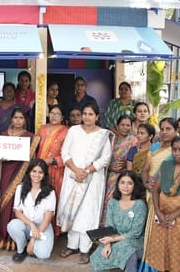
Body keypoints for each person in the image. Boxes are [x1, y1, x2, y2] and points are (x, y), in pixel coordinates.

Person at [58, 101, 112, 265]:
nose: (87, 117)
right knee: (72, 209)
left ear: (97, 116)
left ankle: (85, 249)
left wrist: (87, 171)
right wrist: (77, 170)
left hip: (93, 179)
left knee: (88, 213)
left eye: (91, 114)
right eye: (85, 114)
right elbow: (64, 152)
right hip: (73, 177)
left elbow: (106, 158)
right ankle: (72, 245)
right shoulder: (73, 131)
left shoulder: (103, 135)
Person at [140, 136, 180, 272]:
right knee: (159, 251)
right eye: (174, 149)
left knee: (178, 254)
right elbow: (156, 191)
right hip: (161, 217)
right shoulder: (166, 166)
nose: (177, 153)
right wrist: (158, 212)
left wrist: (173, 215)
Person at [90, 170, 147, 272]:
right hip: (115, 238)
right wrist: (107, 243)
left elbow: (135, 233)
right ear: (118, 185)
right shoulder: (113, 202)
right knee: (99, 254)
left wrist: (112, 240)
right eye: (122, 182)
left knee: (127, 251)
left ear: (135, 186)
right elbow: (109, 225)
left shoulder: (139, 205)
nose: (125, 186)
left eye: (129, 183)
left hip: (135, 241)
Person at [0, 108, 33, 250]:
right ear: (11, 119)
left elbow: (33, 159)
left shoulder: (30, 137)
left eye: (21, 118)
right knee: (6, 204)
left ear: (25, 120)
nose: (18, 121)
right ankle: (3, 237)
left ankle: (17, 239)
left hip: (22, 175)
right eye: (16, 117)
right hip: (6, 173)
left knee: (18, 205)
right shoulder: (3, 135)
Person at [7, 159, 56, 262]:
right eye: (34, 171)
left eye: (40, 172)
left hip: (43, 227)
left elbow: (47, 220)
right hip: (27, 225)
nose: (36, 175)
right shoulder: (21, 188)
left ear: (44, 174)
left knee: (43, 254)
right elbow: (17, 212)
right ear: (29, 172)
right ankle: (22, 249)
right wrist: (31, 225)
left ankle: (32, 244)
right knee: (13, 225)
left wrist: (33, 240)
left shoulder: (50, 192)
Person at [140, 117, 177, 249]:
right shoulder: (155, 147)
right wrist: (145, 183)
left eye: (168, 129)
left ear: (176, 130)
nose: (164, 132)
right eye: (162, 129)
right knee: (151, 224)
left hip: (166, 194)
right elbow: (145, 169)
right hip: (150, 190)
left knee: (164, 225)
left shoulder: (178, 150)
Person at [35, 104, 68, 236]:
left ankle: (54, 230)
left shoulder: (66, 131)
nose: (54, 116)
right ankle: (38, 226)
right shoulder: (42, 129)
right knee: (39, 198)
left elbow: (69, 154)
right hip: (39, 171)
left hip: (56, 171)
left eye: (57, 114)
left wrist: (52, 161)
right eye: (52, 113)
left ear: (62, 117)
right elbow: (34, 148)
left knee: (54, 198)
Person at [102, 115, 137, 224]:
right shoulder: (110, 139)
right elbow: (103, 158)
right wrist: (110, 167)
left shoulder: (133, 140)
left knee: (121, 202)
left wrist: (126, 167)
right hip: (110, 176)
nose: (125, 127)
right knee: (107, 201)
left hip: (125, 177)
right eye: (123, 125)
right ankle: (106, 226)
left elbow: (136, 160)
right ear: (117, 126)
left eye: (128, 125)